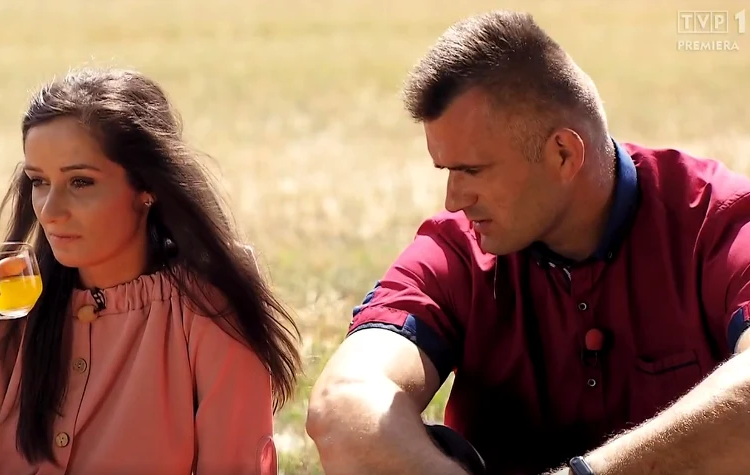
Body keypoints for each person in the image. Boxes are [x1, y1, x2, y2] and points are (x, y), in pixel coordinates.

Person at [306, 10, 750, 475]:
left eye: (472, 170)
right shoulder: (457, 249)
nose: (454, 199)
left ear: (563, 154)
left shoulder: (720, 220)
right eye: (448, 171)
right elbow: (345, 400)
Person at [0, 67, 302, 475]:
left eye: (80, 182)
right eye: (39, 182)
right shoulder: (4, 307)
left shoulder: (207, 307)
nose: (50, 211)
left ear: (147, 188)